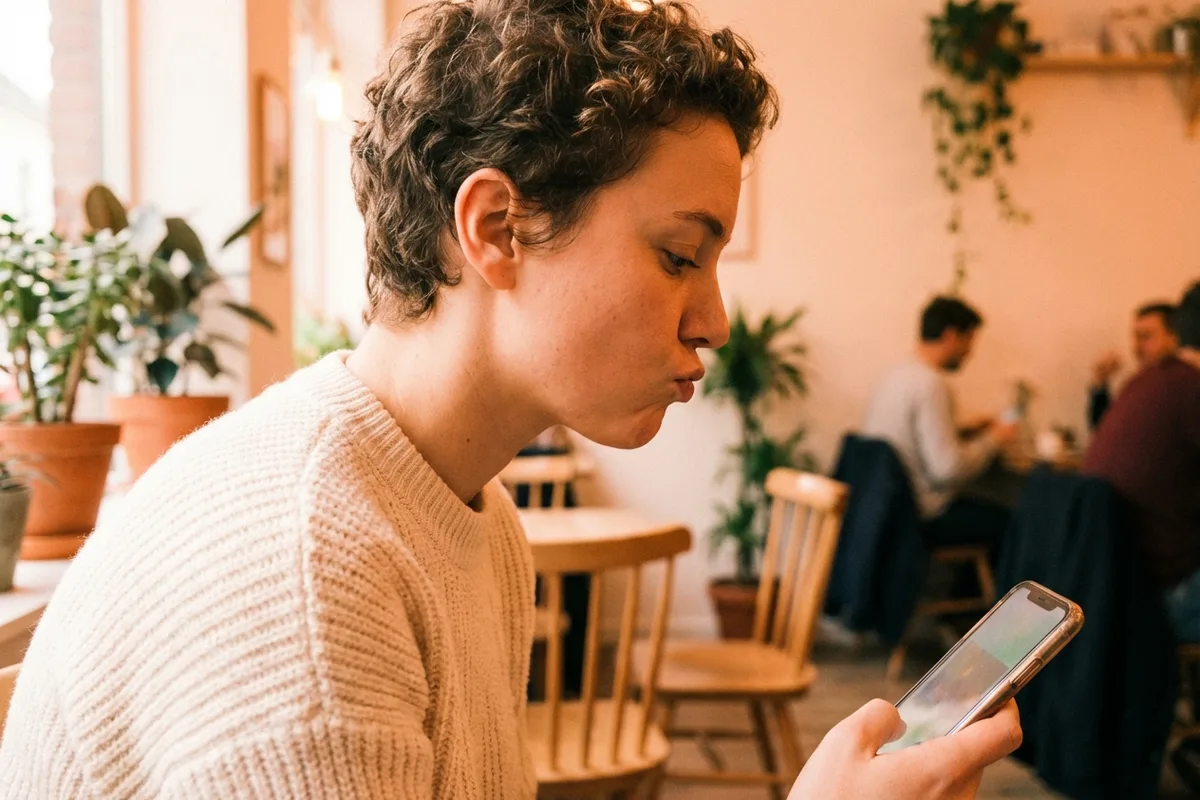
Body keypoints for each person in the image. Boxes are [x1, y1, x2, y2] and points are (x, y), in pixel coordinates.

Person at [0, 2, 1020, 798]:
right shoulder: (306, 576)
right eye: (678, 255)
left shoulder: (476, 523)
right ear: (496, 227)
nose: (711, 318)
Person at [1083, 282, 1200, 641]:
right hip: (1159, 601)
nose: (1138, 347)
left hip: (1113, 596)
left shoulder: (1144, 382)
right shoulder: (1190, 388)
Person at [862, 296, 1019, 551]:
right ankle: (997, 592)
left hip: (884, 509)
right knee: (1012, 521)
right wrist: (995, 439)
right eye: (969, 341)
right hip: (921, 514)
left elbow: (907, 439)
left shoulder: (897, 375)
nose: (970, 353)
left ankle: (964, 589)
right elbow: (947, 470)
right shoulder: (931, 384)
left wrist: (961, 429)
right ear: (950, 336)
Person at [1088, 301, 1179, 429]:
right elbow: (1106, 432)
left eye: (1146, 336)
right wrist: (1100, 382)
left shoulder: (1184, 385)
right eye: (1135, 337)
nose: (1136, 347)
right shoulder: (1138, 383)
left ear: (1173, 338)